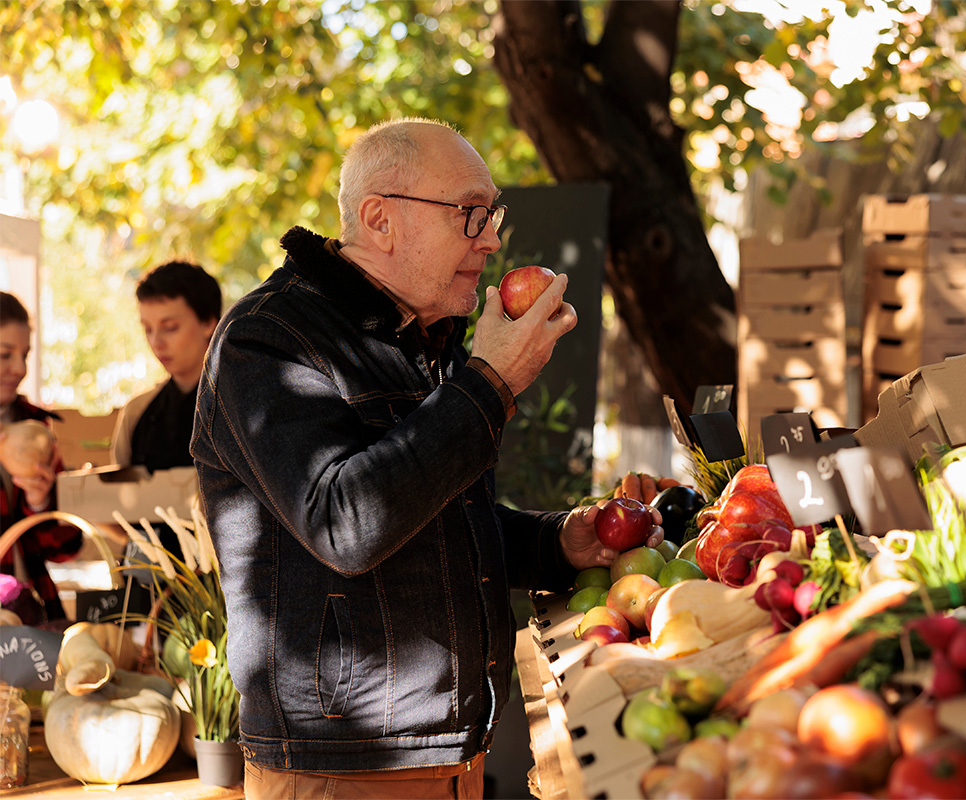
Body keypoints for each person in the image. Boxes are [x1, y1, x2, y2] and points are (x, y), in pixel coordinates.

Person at [191, 118, 663, 799]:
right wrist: (488, 384)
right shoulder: (267, 341)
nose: (493, 239)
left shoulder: (421, 338)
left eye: (491, 215)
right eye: (472, 214)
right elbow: (345, 525)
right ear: (380, 219)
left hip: (450, 752)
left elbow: (434, 523)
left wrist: (558, 541)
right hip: (344, 767)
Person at [0, 291, 81, 622]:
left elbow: (65, 548)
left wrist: (39, 503)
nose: (19, 368)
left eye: (25, 355)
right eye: (5, 355)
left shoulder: (38, 428)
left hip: (33, 610)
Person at [111, 260, 222, 471]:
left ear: (208, 322)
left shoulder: (246, 405)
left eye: (170, 328)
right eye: (147, 329)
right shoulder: (136, 414)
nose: (156, 343)